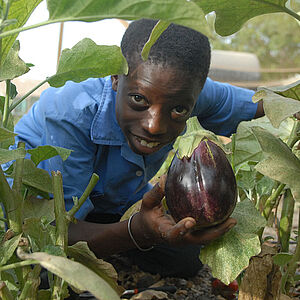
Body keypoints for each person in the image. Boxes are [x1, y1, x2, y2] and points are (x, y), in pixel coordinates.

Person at [6, 19, 264, 278]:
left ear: (196, 95)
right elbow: (60, 230)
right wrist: (136, 231)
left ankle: (110, 242)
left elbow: (260, 104)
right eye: (139, 99)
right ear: (116, 78)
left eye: (179, 110)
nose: (154, 126)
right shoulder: (70, 109)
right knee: (43, 271)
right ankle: (112, 242)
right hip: (40, 209)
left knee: (187, 258)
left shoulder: (183, 88)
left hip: (115, 202)